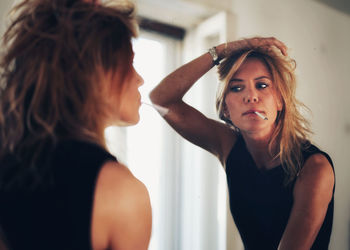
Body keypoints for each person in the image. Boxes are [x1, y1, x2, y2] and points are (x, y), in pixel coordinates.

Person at [150, 37, 335, 249]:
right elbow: (161, 99)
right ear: (226, 108)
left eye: (262, 85)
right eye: (237, 88)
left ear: (280, 100)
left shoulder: (314, 168)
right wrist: (223, 50)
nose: (251, 96)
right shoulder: (228, 145)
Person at [0, 0, 152, 249]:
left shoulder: (9, 163)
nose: (140, 79)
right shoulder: (121, 193)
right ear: (97, 72)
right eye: (130, 62)